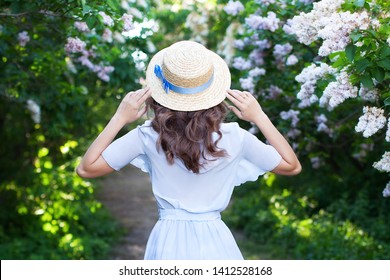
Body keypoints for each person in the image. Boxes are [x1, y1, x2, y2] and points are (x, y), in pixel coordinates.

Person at [76, 40, 301, 260]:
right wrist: (260, 117)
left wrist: (119, 118)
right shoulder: (235, 137)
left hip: (167, 240)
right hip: (216, 241)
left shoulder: (148, 135)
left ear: (160, 91)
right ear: (213, 91)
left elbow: (86, 169)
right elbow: (292, 166)